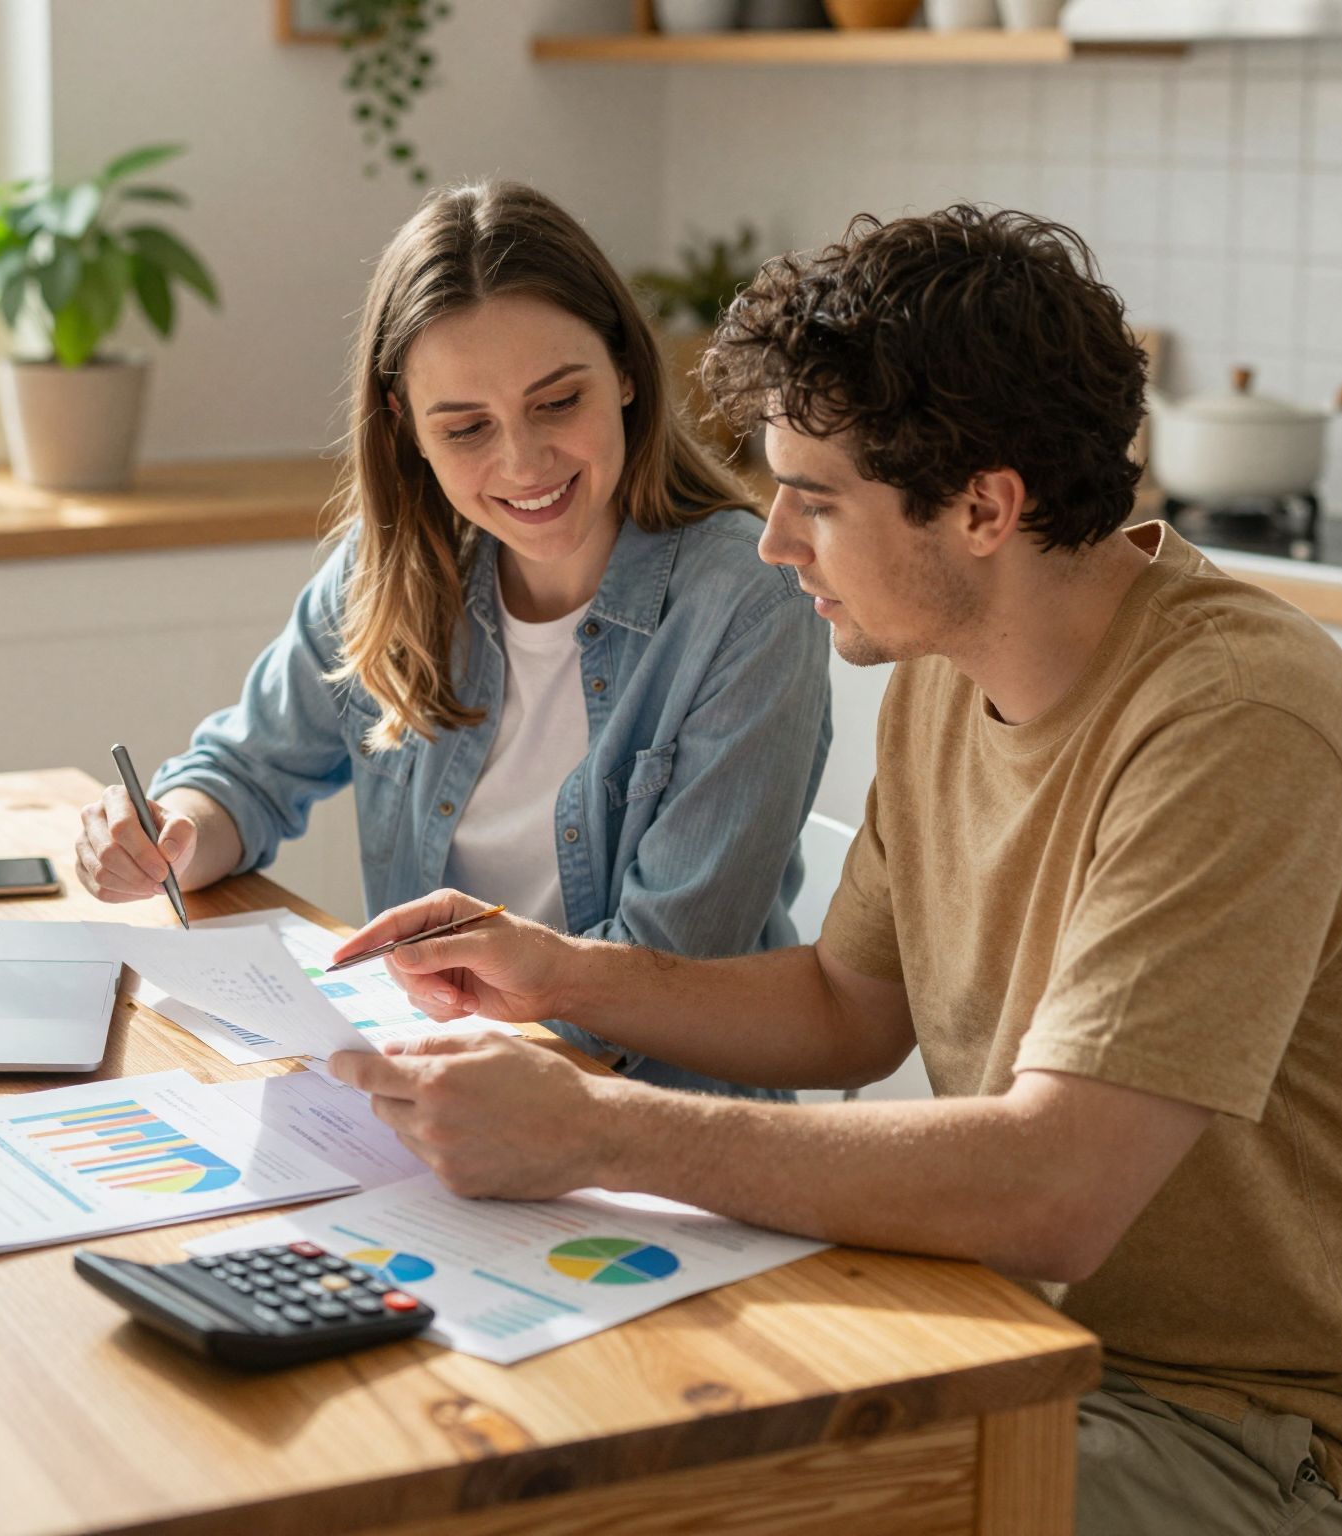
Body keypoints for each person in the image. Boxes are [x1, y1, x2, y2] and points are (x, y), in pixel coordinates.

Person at [327, 206, 1342, 1536]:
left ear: (984, 508)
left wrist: (597, 1130)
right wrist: (559, 971)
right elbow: (847, 1001)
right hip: (1018, 1345)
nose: (774, 542)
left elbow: (1052, 1190)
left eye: (816, 500)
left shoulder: (1235, 723)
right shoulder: (951, 669)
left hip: (1283, 1450)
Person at [74, 179, 832, 1101]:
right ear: (407, 433)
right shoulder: (394, 567)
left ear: (627, 371)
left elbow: (661, 975)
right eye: (467, 428)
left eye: (558, 403)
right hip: (435, 1104)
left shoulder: (748, 608)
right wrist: (171, 833)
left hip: (655, 1130)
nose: (522, 463)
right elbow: (245, 772)